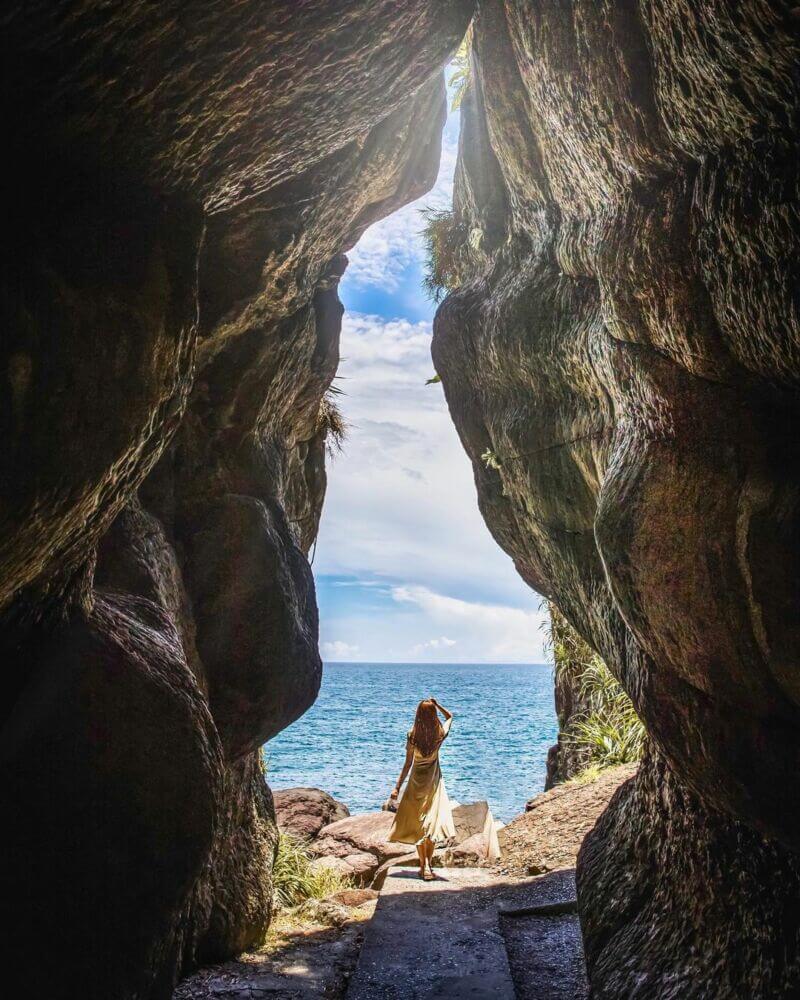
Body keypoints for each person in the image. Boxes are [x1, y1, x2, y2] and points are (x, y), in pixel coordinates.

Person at [387, 698, 456, 880]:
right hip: (433, 784)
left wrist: (397, 787)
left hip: (416, 784)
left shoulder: (412, 735)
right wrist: (438, 704)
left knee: (418, 825)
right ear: (433, 715)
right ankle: (429, 865)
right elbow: (450, 716)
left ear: (418, 715)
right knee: (431, 825)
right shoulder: (439, 733)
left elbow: (407, 764)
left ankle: (423, 864)